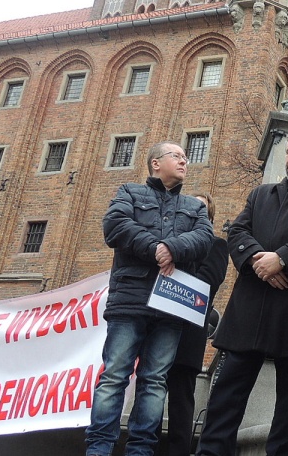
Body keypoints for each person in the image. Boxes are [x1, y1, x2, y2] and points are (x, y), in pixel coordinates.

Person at [196, 130, 288, 456]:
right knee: (225, 399)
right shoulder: (261, 194)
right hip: (249, 312)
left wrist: (282, 259)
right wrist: (259, 261)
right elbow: (237, 230)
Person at [85, 142, 214, 456]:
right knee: (115, 375)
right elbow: (115, 226)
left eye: (186, 156)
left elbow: (204, 237)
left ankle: (141, 450)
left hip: (170, 308)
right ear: (156, 163)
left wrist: (172, 249)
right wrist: (156, 248)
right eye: (177, 156)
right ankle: (99, 448)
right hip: (130, 301)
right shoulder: (129, 193)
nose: (185, 160)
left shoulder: (195, 206)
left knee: (154, 380)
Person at [165, 192, 228, 456]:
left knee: (180, 400)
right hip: (159, 328)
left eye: (200, 208)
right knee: (150, 395)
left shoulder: (216, 246)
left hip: (188, 331)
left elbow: (206, 284)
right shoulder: (169, 242)